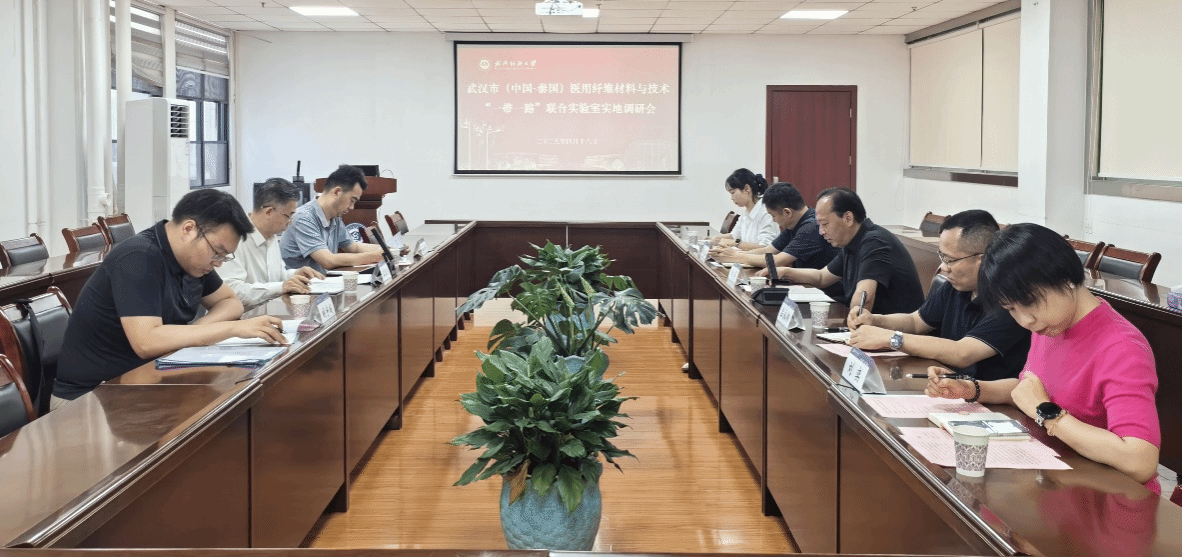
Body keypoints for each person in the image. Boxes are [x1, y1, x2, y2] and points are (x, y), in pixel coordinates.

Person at [926, 223, 1160, 487]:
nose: (1025, 320)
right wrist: (972, 389)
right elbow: (1031, 390)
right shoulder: (1051, 323)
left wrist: (1047, 414)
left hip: (1109, 495)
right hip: (1059, 476)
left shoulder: (1122, 347)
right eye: (1011, 309)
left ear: (1065, 279)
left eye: (1030, 303)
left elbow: (1140, 461)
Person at [52, 190, 286, 408]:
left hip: (147, 381)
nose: (218, 263)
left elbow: (230, 302)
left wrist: (196, 330)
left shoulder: (194, 260)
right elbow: (146, 342)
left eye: (225, 256)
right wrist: (231, 329)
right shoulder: (138, 258)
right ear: (189, 229)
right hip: (90, 399)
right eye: (217, 252)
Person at [847, 210, 1029, 381]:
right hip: (945, 384)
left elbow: (962, 353)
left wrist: (890, 338)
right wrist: (875, 320)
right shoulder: (956, 286)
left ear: (982, 259)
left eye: (950, 260)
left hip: (984, 397)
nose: (943, 267)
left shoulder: (1009, 301)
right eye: (942, 257)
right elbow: (915, 322)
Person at [772, 187, 925, 321]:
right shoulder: (852, 242)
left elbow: (864, 299)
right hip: (876, 327)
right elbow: (822, 277)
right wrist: (785, 272)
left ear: (848, 218)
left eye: (824, 224)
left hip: (897, 333)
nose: (821, 231)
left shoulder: (874, 242)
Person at [220, 178, 325, 310]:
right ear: (269, 212)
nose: (290, 222)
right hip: (241, 317)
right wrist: (281, 287)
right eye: (289, 215)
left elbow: (276, 278)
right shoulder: (234, 238)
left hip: (269, 312)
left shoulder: (271, 235)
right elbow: (232, 291)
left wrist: (295, 275)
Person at [280, 164, 385, 273]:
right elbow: (328, 261)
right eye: (352, 200)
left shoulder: (335, 217)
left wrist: (387, 249)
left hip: (322, 281)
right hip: (302, 283)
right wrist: (375, 256)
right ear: (337, 192)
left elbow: (354, 247)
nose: (352, 207)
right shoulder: (304, 218)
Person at [713, 182, 839, 271]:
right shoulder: (793, 224)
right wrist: (732, 254)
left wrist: (736, 256)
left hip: (824, 292)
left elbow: (777, 260)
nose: (773, 220)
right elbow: (769, 250)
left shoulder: (811, 227)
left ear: (787, 212)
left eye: (773, 215)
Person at [707, 168, 778, 250]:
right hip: (746, 256)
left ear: (747, 189)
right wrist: (713, 239)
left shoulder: (766, 212)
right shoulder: (747, 212)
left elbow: (765, 247)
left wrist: (734, 244)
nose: (731, 198)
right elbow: (735, 235)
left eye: (733, 192)